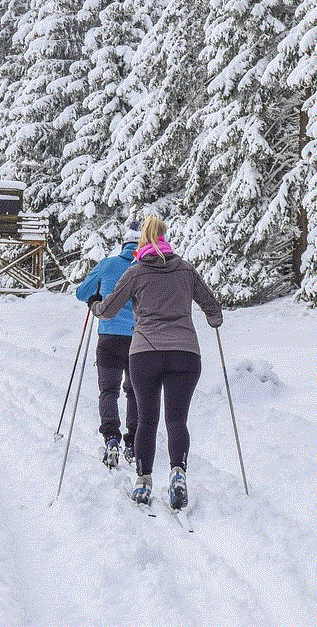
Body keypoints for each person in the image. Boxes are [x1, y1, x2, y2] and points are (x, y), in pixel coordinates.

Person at [90, 214, 222, 510]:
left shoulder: (136, 272)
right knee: (177, 420)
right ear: (165, 238)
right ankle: (177, 472)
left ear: (142, 242)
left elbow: (109, 309)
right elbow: (212, 307)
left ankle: (143, 481)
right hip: (185, 353)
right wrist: (214, 319)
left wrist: (95, 307)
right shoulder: (187, 270)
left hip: (145, 353)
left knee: (148, 419)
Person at [74, 223, 141, 468]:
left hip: (109, 337)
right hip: (138, 339)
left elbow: (82, 293)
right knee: (134, 392)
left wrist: (96, 298)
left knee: (108, 391)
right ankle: (133, 442)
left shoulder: (108, 264)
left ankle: (111, 438)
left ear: (123, 244)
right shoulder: (145, 267)